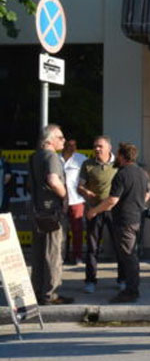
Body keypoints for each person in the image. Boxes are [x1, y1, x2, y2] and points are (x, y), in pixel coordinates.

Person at [86, 142, 150, 303]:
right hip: (137, 219)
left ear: (122, 156)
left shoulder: (121, 175)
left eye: (118, 154)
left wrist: (94, 211)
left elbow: (112, 200)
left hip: (124, 220)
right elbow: (148, 194)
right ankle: (130, 288)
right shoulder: (142, 173)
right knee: (130, 254)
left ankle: (131, 290)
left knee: (128, 256)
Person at [28, 124, 73, 305]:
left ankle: (37, 291)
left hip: (36, 210)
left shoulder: (34, 157)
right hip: (51, 211)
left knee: (38, 253)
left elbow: (31, 185)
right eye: (60, 137)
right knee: (53, 253)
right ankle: (51, 294)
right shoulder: (52, 156)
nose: (64, 141)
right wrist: (65, 196)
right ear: (50, 140)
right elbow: (53, 180)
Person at [78, 136, 119, 294]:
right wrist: (85, 191)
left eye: (100, 146)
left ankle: (122, 279)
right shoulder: (87, 164)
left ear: (109, 148)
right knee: (92, 247)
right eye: (95, 146)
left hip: (114, 211)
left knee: (119, 246)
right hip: (94, 211)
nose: (97, 149)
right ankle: (90, 281)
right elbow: (79, 186)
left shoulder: (118, 164)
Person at [60, 139, 87, 265]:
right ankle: (62, 256)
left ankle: (77, 256)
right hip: (59, 200)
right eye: (70, 145)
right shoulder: (55, 158)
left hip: (76, 199)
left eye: (75, 145)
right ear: (64, 146)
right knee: (61, 230)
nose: (73, 147)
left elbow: (88, 176)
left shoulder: (81, 159)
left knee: (77, 230)